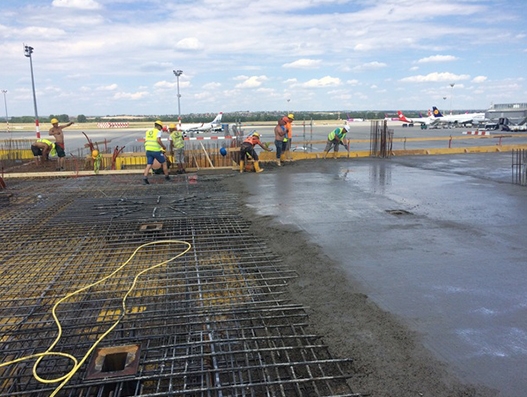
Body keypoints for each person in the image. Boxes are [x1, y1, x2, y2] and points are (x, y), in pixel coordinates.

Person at [142, 120, 170, 184]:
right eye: (161, 127)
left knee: (149, 164)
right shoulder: (158, 132)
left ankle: (145, 177)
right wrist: (163, 146)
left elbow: (145, 141)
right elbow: (158, 140)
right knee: (164, 163)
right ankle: (167, 176)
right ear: (159, 126)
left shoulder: (148, 131)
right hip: (156, 151)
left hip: (148, 150)